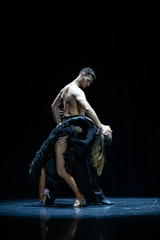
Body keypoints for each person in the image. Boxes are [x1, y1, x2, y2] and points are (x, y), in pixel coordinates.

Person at [29, 67, 113, 206]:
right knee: (82, 164)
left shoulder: (65, 89)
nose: (88, 84)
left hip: (68, 126)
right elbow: (87, 109)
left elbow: (54, 106)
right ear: (82, 75)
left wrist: (59, 124)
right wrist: (99, 126)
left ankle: (61, 195)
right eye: (88, 80)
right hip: (76, 128)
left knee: (65, 163)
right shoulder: (77, 91)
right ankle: (94, 197)